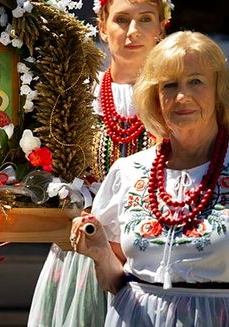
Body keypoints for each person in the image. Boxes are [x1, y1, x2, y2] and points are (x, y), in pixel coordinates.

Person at [28, 0, 173, 326]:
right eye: (122, 20)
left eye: (145, 19)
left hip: (152, 251)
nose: (133, 31)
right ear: (102, 26)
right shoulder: (79, 93)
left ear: (162, 27)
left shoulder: (175, 96)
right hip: (85, 247)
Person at [71, 31, 229, 326]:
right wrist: (99, 251)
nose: (182, 96)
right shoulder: (128, 171)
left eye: (196, 81)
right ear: (155, 98)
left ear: (219, 89)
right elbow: (115, 279)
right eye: (169, 85)